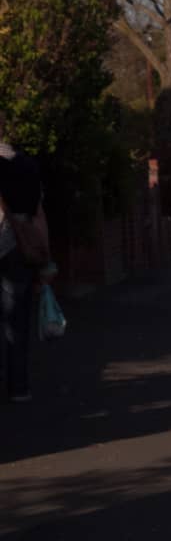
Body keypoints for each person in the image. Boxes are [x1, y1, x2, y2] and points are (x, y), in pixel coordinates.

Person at [0, 123, 49, 402]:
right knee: (17, 321)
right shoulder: (27, 166)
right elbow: (39, 213)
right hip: (20, 247)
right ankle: (19, 387)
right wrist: (46, 258)